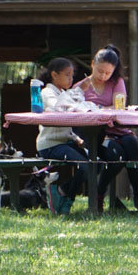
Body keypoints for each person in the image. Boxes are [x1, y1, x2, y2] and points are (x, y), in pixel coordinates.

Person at [75, 45, 138, 212]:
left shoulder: (117, 82)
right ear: (92, 64)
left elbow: (118, 108)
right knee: (116, 154)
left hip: (117, 129)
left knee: (132, 145)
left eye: (108, 73)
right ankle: (98, 194)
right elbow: (73, 107)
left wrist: (99, 108)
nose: (103, 76)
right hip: (94, 134)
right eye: (100, 71)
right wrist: (103, 109)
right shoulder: (81, 86)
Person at [36, 58, 94, 215]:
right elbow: (59, 108)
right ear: (54, 75)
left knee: (95, 164)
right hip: (50, 145)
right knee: (85, 166)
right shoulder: (47, 93)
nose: (71, 79)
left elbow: (67, 123)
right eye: (67, 75)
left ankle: (64, 195)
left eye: (72, 75)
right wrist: (79, 91)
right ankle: (65, 198)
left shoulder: (62, 92)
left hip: (65, 143)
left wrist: (76, 139)